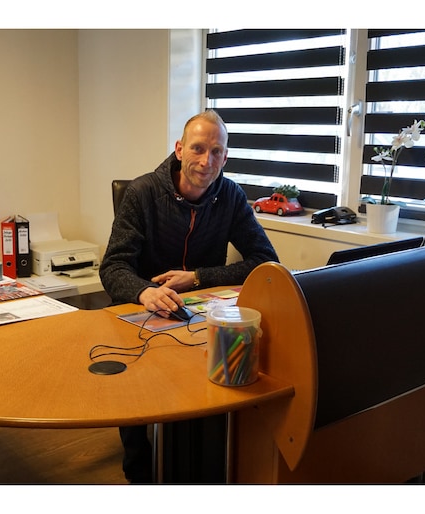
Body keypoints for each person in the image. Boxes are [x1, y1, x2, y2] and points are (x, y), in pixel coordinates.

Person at [99, 109, 279, 483]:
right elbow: (113, 267)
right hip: (141, 311)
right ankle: (139, 470)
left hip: (202, 314)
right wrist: (145, 291)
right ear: (180, 149)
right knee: (139, 382)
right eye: (198, 148)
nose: (206, 161)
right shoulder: (142, 193)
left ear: (225, 158)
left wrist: (198, 277)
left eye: (216, 152)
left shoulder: (230, 196)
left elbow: (265, 261)